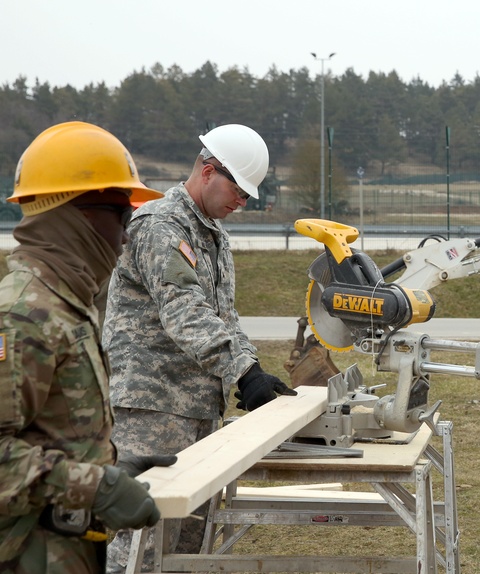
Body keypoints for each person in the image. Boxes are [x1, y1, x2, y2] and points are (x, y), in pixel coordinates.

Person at [102, 124, 296, 572]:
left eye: (250, 196)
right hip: (153, 408)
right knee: (140, 546)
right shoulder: (160, 226)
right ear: (208, 171)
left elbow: (223, 317)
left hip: (197, 407)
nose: (243, 203)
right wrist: (243, 373)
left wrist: (254, 372)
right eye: (239, 191)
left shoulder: (211, 233)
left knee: (190, 546)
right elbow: (184, 311)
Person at [0, 121, 168, 573]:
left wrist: (110, 465)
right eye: (122, 214)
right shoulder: (23, 315)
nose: (127, 234)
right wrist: (95, 487)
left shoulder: (63, 303)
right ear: (76, 213)